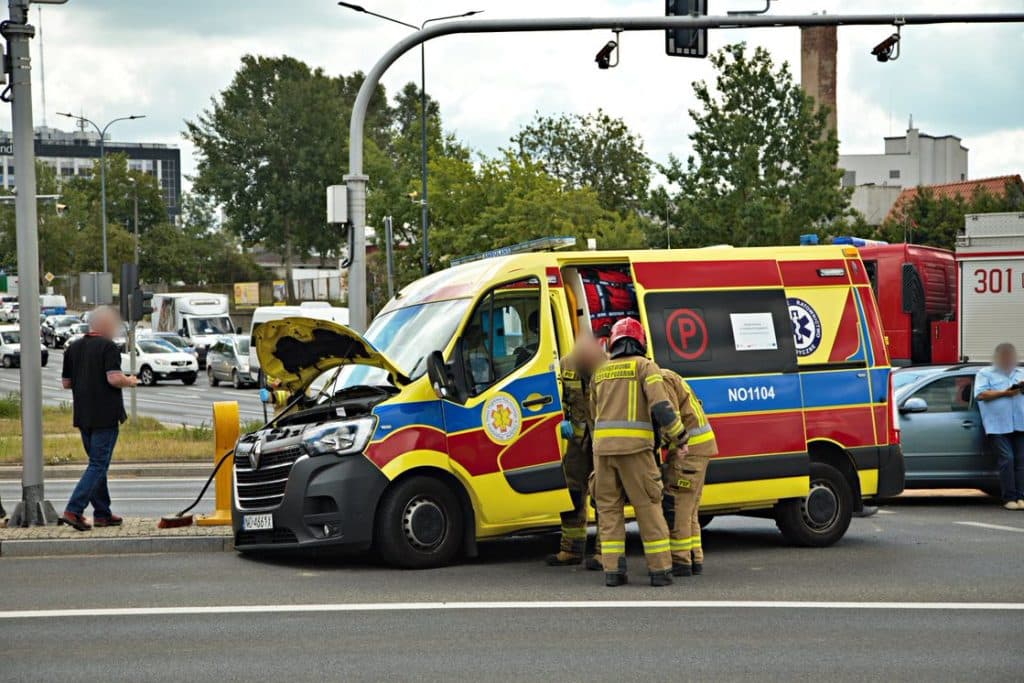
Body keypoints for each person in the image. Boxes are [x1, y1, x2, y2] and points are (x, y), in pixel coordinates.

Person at [590, 317, 686, 587]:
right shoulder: (645, 367)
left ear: (614, 343)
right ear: (640, 342)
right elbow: (661, 406)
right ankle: (660, 571)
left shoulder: (600, 371)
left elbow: (592, 411)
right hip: (636, 451)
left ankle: (613, 572)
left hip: (603, 453)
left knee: (609, 512)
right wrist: (679, 435)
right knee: (648, 508)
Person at [60, 306, 138, 531]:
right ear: (104, 325)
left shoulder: (73, 347)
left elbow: (66, 383)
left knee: (97, 464)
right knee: (98, 464)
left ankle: (102, 513)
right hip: (105, 415)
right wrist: (130, 381)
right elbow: (114, 378)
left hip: (83, 415)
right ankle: (74, 509)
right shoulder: (108, 347)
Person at [546, 333, 605, 566]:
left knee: (604, 496)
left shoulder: (607, 365)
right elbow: (560, 399)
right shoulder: (566, 364)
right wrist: (561, 419)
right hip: (577, 443)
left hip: (602, 442)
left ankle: (604, 552)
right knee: (572, 493)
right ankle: (571, 549)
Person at [660, 369, 718, 576]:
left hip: (688, 451)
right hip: (700, 449)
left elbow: (671, 419)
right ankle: (695, 557)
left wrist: (656, 444)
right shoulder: (669, 374)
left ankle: (680, 561)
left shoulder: (661, 380)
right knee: (690, 508)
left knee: (677, 507)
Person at [974, 343, 1024, 510]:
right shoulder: (986, 373)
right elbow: (981, 394)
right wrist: (1006, 393)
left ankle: (1021, 497)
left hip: (1020, 423)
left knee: (1021, 461)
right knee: (1007, 459)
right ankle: (1009, 497)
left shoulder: (1021, 373)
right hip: (997, 425)